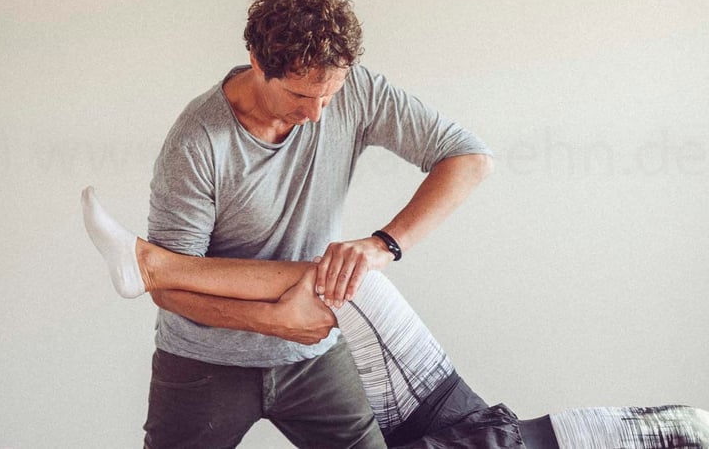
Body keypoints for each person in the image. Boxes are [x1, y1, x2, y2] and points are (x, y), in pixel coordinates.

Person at [138, 0, 494, 448]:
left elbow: (468, 158)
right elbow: (166, 288)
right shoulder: (198, 141)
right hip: (204, 361)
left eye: (329, 94)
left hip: (314, 353)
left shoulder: (357, 91)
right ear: (259, 62)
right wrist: (273, 322)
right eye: (301, 96)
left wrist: (383, 245)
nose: (318, 113)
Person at [82, 187, 709, 449]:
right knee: (357, 284)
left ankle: (151, 267)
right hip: (478, 422)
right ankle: (149, 267)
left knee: (347, 285)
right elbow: (472, 157)